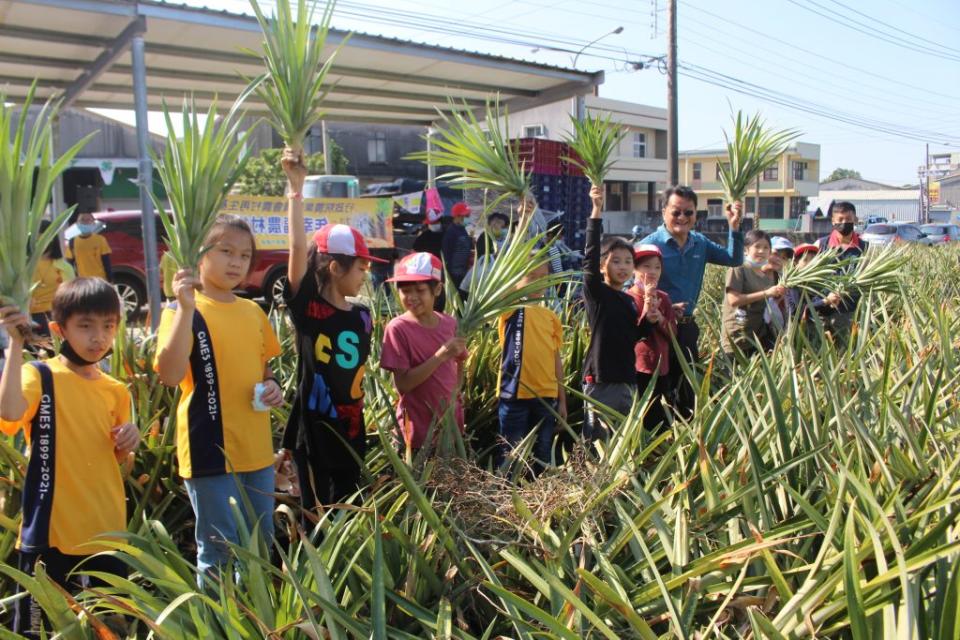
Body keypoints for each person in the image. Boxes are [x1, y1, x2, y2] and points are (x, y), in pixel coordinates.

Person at [0, 278, 139, 636]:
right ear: (58, 329)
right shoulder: (39, 376)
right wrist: (14, 346)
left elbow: (122, 463)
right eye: (85, 325)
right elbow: (10, 413)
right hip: (51, 534)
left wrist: (128, 444)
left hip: (106, 533)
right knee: (37, 630)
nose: (99, 337)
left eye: (108, 325)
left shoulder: (116, 391)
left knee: (110, 629)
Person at [154, 215, 283, 577]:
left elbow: (264, 370)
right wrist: (185, 307)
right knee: (218, 551)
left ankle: (258, 621)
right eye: (225, 251)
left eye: (244, 255)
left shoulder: (253, 311)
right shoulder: (182, 310)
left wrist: (273, 387)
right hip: (208, 448)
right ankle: (217, 626)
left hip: (256, 450)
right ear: (200, 254)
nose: (236, 262)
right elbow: (169, 374)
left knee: (261, 544)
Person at [277, 146, 385, 514]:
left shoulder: (363, 317)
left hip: (352, 431)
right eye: (360, 267)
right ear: (335, 268)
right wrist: (296, 188)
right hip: (315, 433)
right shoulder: (309, 310)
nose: (365, 274)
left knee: (348, 511)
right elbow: (295, 247)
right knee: (316, 515)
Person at [639, 186, 744, 418]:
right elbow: (633, 289)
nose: (682, 218)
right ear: (664, 211)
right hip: (657, 329)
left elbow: (734, 259)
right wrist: (661, 308)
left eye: (689, 213)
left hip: (686, 327)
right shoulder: (650, 245)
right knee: (659, 388)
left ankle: (687, 439)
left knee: (687, 387)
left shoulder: (700, 243)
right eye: (676, 212)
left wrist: (734, 227)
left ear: (696, 214)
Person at [380, 252, 467, 452]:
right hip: (418, 431)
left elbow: (460, 360)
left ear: (437, 289)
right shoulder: (398, 328)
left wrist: (457, 392)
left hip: (451, 426)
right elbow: (403, 384)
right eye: (405, 291)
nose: (411, 297)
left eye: (419, 290)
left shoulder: (449, 323)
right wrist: (440, 356)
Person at [582, 185, 647, 441]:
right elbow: (588, 258)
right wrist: (596, 210)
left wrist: (651, 318)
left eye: (628, 262)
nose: (623, 267)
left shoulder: (629, 300)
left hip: (627, 379)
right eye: (616, 261)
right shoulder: (597, 294)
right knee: (597, 444)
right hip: (601, 380)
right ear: (601, 266)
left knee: (623, 444)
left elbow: (635, 335)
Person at [496, 261, 566, 474]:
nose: (538, 283)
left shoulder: (551, 318)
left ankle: (539, 500)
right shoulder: (510, 311)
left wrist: (562, 400)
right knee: (510, 454)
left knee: (543, 453)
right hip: (513, 395)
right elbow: (502, 289)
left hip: (546, 395)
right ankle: (507, 498)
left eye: (544, 277)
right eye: (531, 276)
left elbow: (556, 361)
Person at [627, 244, 677, 434]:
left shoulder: (664, 298)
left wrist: (661, 318)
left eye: (657, 267)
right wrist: (647, 309)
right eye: (646, 266)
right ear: (635, 269)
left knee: (660, 418)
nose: (652, 272)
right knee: (639, 418)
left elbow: (673, 333)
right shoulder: (628, 298)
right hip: (638, 367)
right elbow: (631, 334)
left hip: (662, 368)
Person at [721, 230, 786, 359]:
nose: (761, 251)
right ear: (746, 249)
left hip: (757, 336)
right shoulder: (739, 267)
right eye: (757, 246)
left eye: (766, 247)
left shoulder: (769, 275)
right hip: (736, 336)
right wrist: (766, 293)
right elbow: (733, 300)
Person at [815, 201, 869, 338]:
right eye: (840, 219)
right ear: (833, 221)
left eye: (849, 219)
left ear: (855, 220)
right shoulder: (821, 245)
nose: (844, 223)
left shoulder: (864, 248)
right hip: (821, 310)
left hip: (850, 311)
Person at [30, 221, 75, 337]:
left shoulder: (65, 267)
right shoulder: (23, 266)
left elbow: (72, 297)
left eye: (43, 238)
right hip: (29, 317)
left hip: (56, 317)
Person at [65, 212, 112, 282]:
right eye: (82, 220)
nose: (85, 222)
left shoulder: (100, 240)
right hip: (82, 282)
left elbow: (106, 262)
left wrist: (110, 279)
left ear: (93, 224)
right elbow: (70, 264)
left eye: (88, 220)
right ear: (77, 224)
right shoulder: (72, 242)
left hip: (99, 280)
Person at [441, 202, 474, 289]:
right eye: (466, 216)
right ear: (458, 216)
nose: (468, 218)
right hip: (454, 273)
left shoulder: (464, 230)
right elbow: (447, 252)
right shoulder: (451, 232)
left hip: (463, 271)